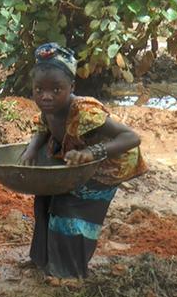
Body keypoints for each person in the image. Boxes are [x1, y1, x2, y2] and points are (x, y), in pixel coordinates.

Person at [20, 43, 148, 279]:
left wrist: (93, 152)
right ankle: (41, 260)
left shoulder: (84, 110)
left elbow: (131, 138)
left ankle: (68, 273)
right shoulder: (48, 110)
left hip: (107, 166)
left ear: (72, 87)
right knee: (43, 202)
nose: (46, 96)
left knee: (68, 209)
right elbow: (42, 130)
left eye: (56, 90)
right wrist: (30, 150)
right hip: (79, 164)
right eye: (39, 90)